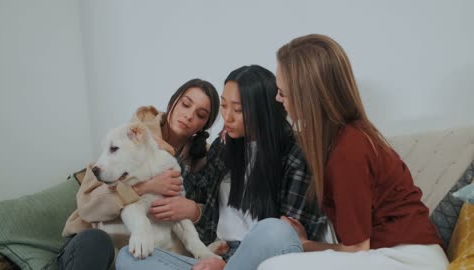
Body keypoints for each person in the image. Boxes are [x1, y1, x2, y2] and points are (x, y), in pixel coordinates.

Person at [257, 34, 449, 270]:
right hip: (391, 253)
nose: (277, 99)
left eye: (282, 92)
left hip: (409, 259)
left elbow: (357, 249)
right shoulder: (345, 139)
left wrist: (304, 244)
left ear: (307, 97)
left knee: (273, 267)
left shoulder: (348, 150)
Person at [115, 65, 327, 270]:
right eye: (224, 106)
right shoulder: (223, 147)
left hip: (261, 258)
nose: (227, 117)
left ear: (264, 111)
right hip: (219, 253)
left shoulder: (296, 152)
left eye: (238, 109)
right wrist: (166, 152)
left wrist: (228, 262)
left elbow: (290, 238)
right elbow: (202, 204)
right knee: (128, 256)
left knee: (276, 229)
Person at [57, 78, 220, 270]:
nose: (189, 115)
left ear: (204, 125)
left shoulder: (204, 160)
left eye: (200, 115)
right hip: (94, 247)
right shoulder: (128, 138)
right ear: (172, 102)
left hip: (143, 257)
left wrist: (195, 210)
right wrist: (145, 187)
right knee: (96, 241)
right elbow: (87, 206)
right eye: (185, 104)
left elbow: (214, 213)